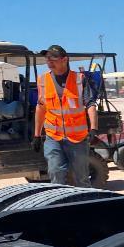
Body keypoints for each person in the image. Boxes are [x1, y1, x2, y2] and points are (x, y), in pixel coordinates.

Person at [34, 44, 99, 187]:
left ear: (65, 60)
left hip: (77, 138)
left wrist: (93, 128)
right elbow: (41, 108)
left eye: (53, 58)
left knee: (81, 177)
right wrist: (37, 135)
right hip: (53, 137)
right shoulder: (43, 80)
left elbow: (90, 104)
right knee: (55, 172)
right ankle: (61, 205)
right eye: (47, 58)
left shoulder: (79, 79)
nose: (49, 61)